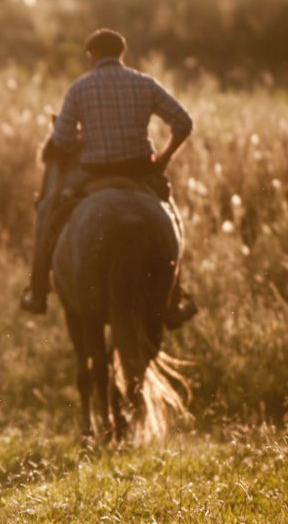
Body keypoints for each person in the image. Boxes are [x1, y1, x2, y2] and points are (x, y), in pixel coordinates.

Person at [21, 28, 196, 317]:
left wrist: (82, 136)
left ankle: (37, 290)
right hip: (140, 171)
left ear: (92, 56)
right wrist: (163, 159)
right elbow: (183, 123)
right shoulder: (144, 84)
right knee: (172, 215)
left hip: (93, 173)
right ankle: (175, 296)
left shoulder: (80, 88)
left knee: (48, 211)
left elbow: (62, 141)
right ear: (121, 54)